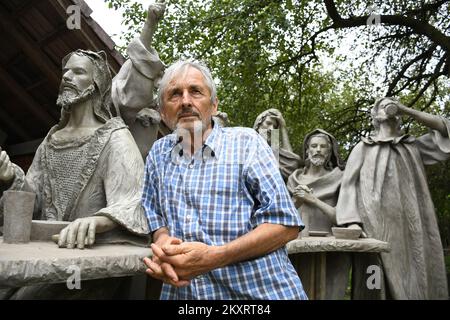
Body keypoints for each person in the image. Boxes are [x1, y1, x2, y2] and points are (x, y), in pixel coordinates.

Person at [142, 60, 307, 299]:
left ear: (215, 105)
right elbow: (153, 212)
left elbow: (286, 225)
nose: (186, 101)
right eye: (175, 94)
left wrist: (214, 257)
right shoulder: (157, 153)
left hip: (259, 294)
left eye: (196, 91)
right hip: (186, 295)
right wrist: (164, 244)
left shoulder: (246, 143)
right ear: (162, 111)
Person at [336, 97, 450, 299]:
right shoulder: (363, 148)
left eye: (392, 105)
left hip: (412, 227)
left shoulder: (413, 146)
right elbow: (348, 185)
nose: (388, 107)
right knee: (376, 276)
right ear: (375, 117)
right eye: (382, 105)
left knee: (415, 272)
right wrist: (351, 222)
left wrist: (407, 110)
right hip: (375, 225)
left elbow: (445, 131)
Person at [287, 129, 354, 299]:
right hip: (298, 249)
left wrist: (313, 200)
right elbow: (284, 216)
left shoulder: (340, 178)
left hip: (332, 249)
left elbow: (343, 217)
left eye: (323, 147)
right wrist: (298, 201)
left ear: (329, 152)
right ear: (307, 151)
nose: (318, 150)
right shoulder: (294, 179)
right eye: (314, 146)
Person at [253, 108, 302, 181]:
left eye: (275, 127)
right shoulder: (249, 143)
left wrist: (283, 127)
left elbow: (292, 162)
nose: (271, 129)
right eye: (268, 123)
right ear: (259, 124)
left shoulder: (274, 147)